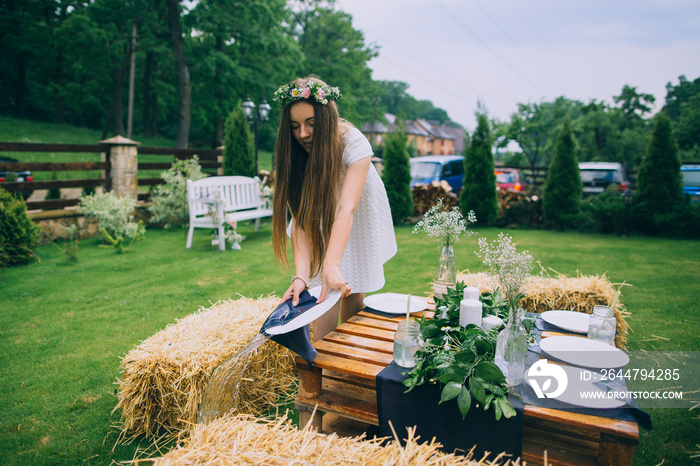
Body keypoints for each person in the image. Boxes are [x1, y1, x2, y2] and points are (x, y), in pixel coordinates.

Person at [271, 76, 397, 340]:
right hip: (318, 210)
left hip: (355, 210)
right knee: (321, 288)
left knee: (352, 284)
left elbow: (345, 210)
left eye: (311, 124)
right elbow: (301, 222)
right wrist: (301, 277)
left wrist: (332, 263)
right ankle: (322, 362)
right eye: (295, 126)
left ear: (327, 119)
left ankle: (349, 359)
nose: (302, 134)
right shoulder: (294, 151)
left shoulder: (355, 143)